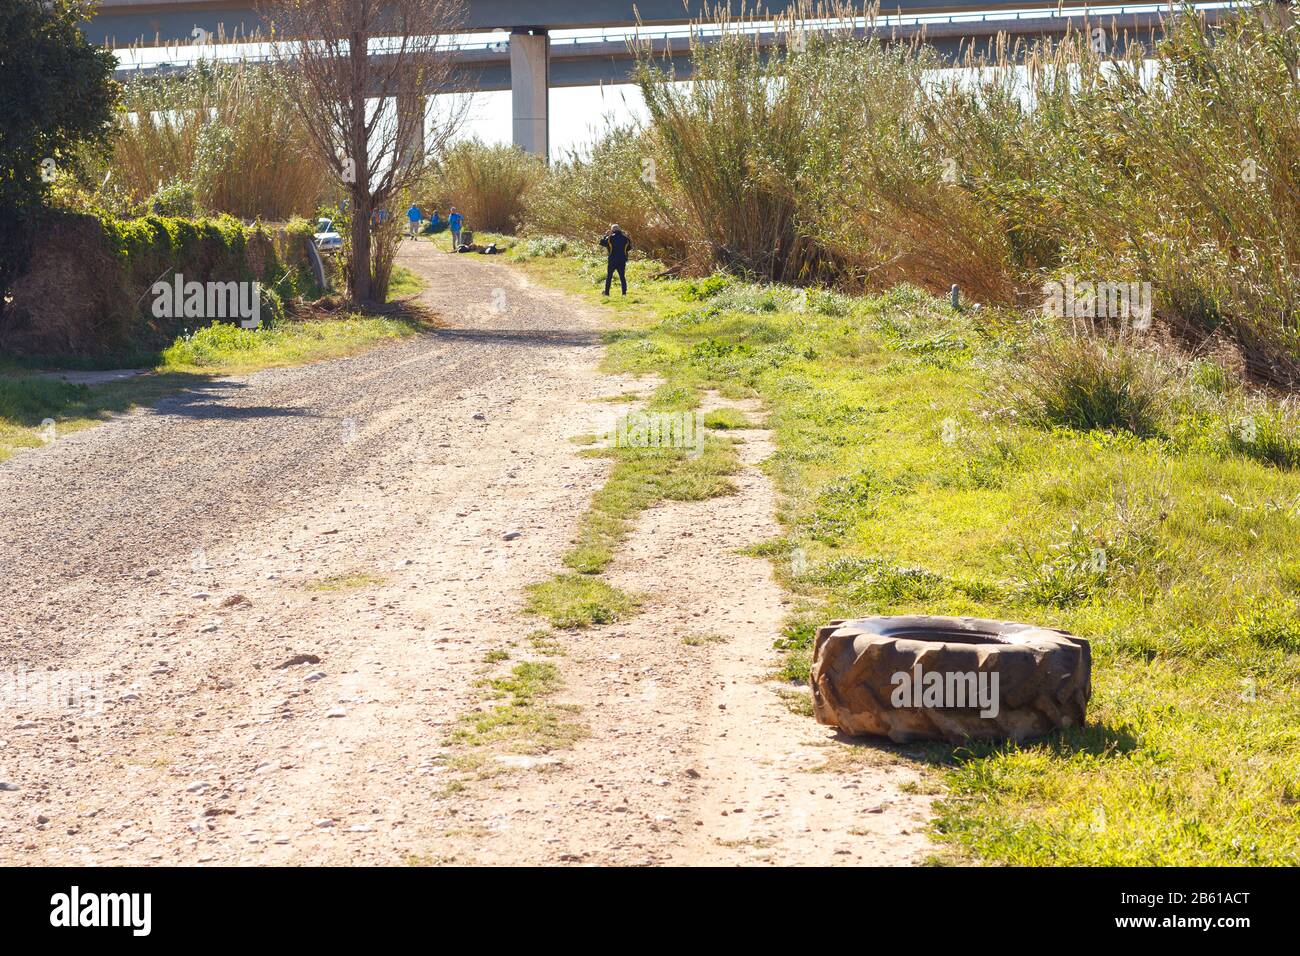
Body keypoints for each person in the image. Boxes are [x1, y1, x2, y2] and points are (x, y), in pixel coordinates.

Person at [599, 224, 632, 296]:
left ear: (612, 230)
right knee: (622, 277)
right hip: (622, 260)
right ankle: (624, 293)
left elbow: (602, 242)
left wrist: (606, 235)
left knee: (609, 276)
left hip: (612, 260)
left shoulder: (610, 238)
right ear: (619, 229)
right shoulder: (626, 238)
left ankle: (607, 293)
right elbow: (629, 248)